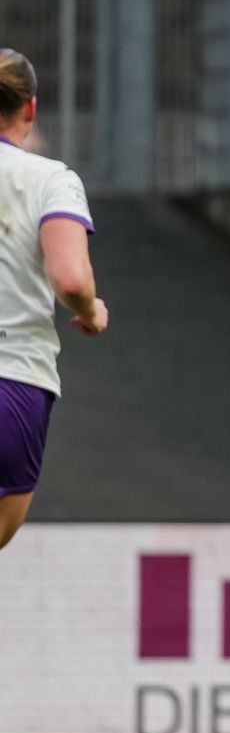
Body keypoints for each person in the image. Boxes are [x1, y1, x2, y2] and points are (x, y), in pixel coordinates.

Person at [0, 48, 108, 552]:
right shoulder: (50, 180)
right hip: (13, 380)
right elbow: (69, 279)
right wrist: (91, 310)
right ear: (31, 108)